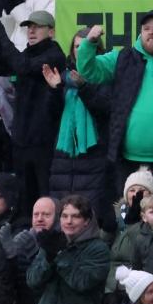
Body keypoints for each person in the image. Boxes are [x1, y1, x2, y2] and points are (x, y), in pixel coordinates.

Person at [75, 12, 153, 209]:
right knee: (130, 219)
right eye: (146, 29)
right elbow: (89, 71)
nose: (150, 33)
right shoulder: (122, 58)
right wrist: (90, 42)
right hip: (129, 162)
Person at [0, 10, 66, 214]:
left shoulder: (54, 55)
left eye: (37, 27)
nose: (31, 31)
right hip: (22, 139)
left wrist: (0, 33)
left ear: (51, 32)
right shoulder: (26, 54)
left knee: (45, 197)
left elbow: (22, 66)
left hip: (44, 142)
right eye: (29, 27)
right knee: (25, 198)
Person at [46, 27, 114, 227]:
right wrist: (55, 90)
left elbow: (104, 109)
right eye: (76, 46)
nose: (79, 50)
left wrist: (84, 87)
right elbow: (51, 117)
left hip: (94, 156)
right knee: (63, 216)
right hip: (64, 157)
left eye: (84, 46)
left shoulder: (105, 76)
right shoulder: (63, 77)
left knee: (89, 216)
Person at [25, 194, 109, 304]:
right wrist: (48, 259)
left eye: (75, 216)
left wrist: (60, 254)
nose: (69, 221)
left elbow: (83, 282)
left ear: (86, 221)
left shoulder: (99, 249)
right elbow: (32, 280)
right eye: (64, 216)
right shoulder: (52, 243)